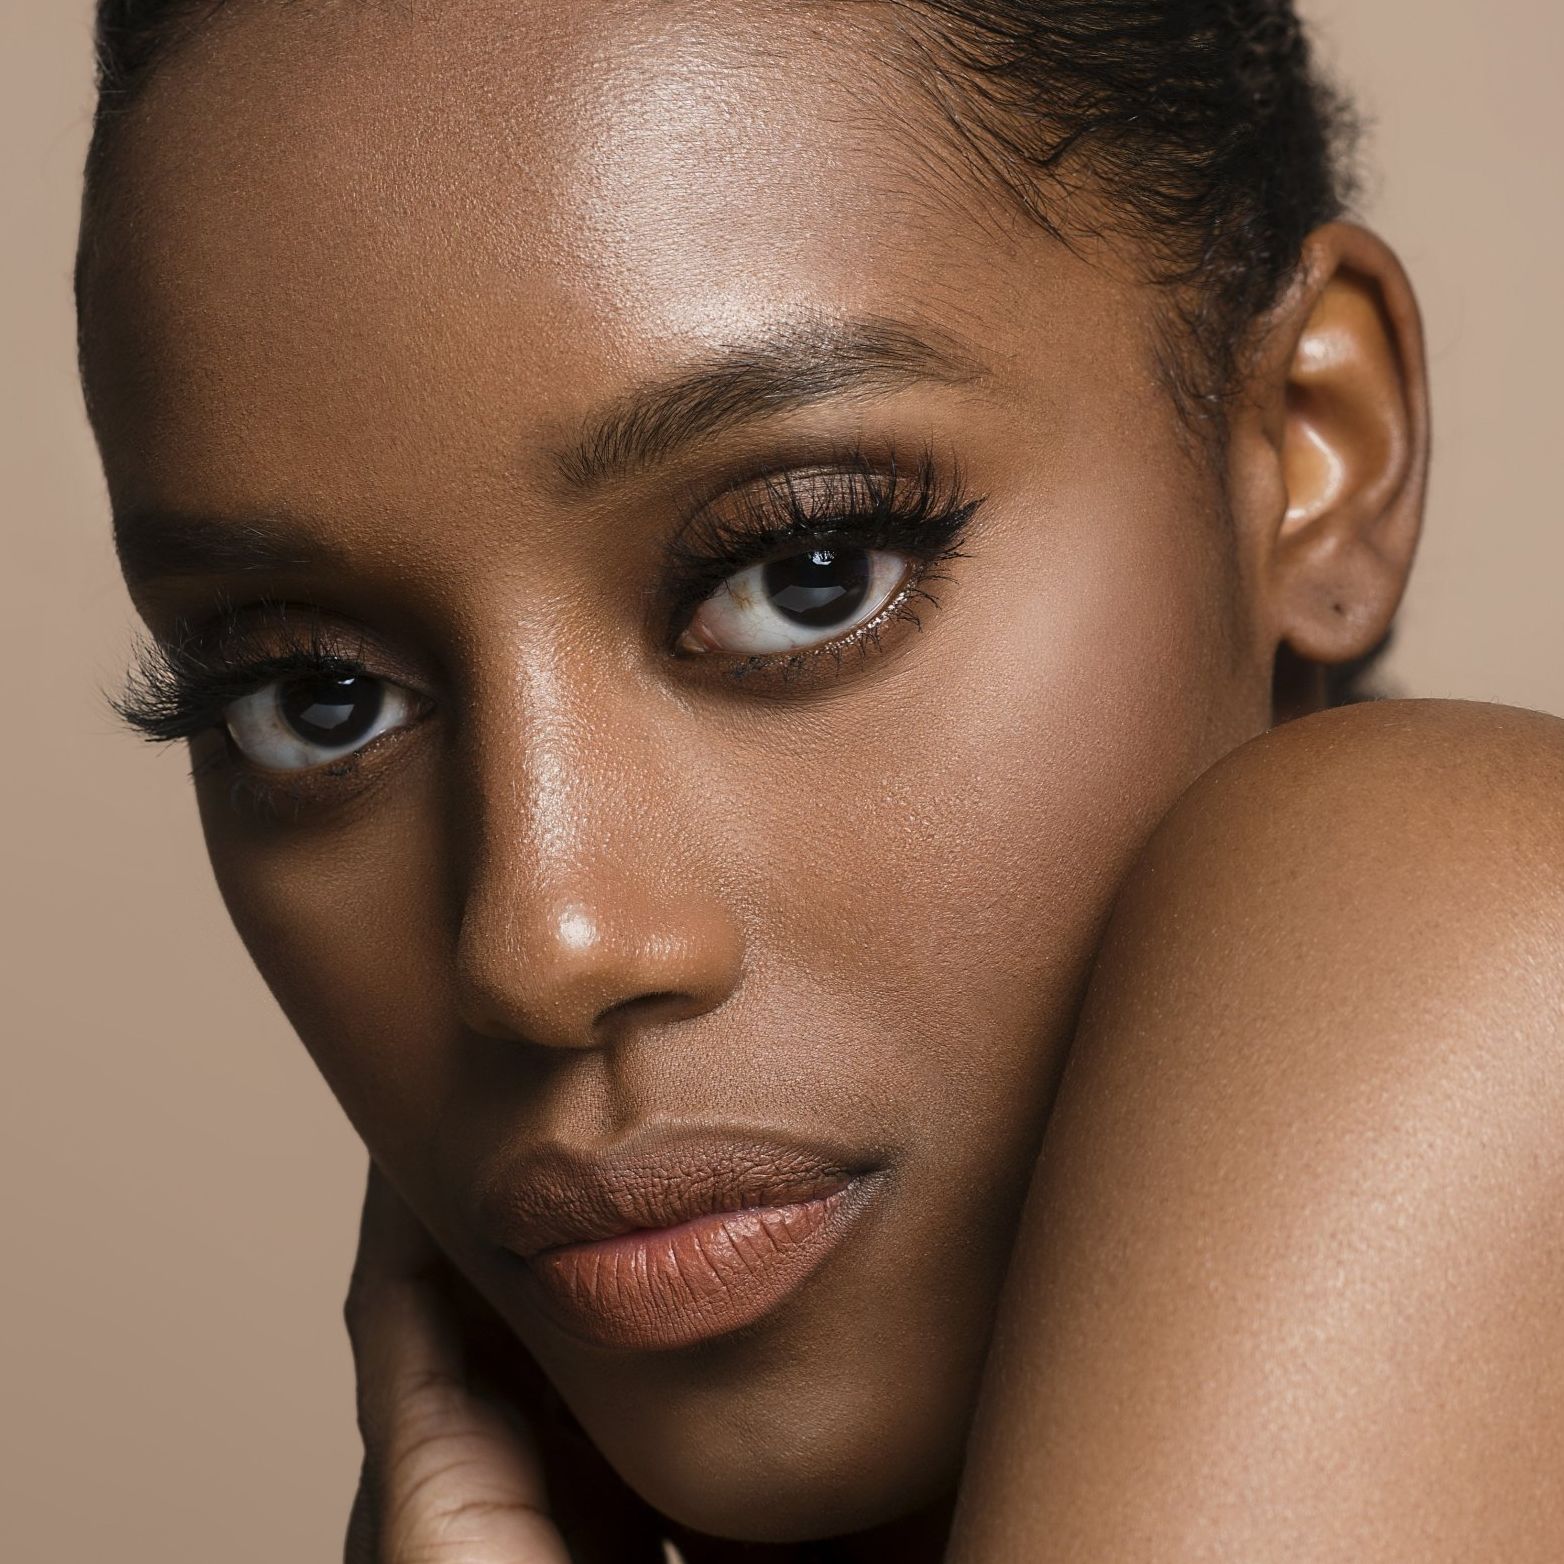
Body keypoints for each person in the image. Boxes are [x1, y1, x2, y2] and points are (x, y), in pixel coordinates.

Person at [76, 0, 1563, 1558]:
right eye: (315, 700)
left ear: (1315, 446)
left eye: (808, 572)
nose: (542, 946)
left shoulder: (1467, 925)